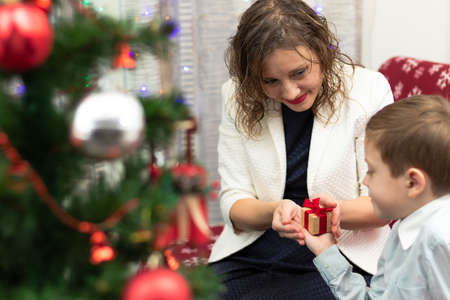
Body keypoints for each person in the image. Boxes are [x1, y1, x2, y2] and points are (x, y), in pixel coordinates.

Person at [209, 0, 394, 299]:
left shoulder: (369, 90)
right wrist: (273, 212)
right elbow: (234, 202)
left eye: (299, 73)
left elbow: (383, 203)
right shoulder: (236, 95)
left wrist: (332, 214)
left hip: (342, 250)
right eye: (270, 81)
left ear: (321, 49)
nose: (289, 92)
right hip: (256, 248)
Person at [302, 95, 450, 299]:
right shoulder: (402, 227)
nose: (365, 180)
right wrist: (327, 251)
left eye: (372, 170)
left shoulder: (439, 240)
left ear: (413, 183)